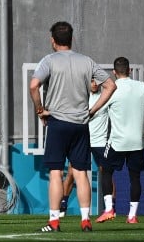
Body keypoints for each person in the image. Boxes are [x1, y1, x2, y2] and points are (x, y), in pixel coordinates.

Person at [28, 21, 114, 233]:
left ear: (53, 40)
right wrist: (92, 110)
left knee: (56, 172)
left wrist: (40, 109)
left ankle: (55, 221)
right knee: (81, 172)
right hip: (80, 124)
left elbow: (33, 86)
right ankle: (85, 220)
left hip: (58, 123)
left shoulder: (49, 60)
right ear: (71, 38)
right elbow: (110, 85)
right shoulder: (86, 61)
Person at [95, 57, 144, 224]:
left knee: (106, 171)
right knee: (135, 178)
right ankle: (132, 216)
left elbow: (98, 112)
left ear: (114, 72)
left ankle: (109, 209)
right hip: (137, 142)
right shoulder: (142, 86)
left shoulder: (111, 89)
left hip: (117, 141)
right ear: (129, 70)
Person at [60, 77, 110, 214]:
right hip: (81, 141)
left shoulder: (106, 98)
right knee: (71, 173)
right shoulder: (80, 99)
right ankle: (63, 205)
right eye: (91, 81)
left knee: (106, 172)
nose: (93, 84)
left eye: (96, 81)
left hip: (100, 141)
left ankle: (111, 207)